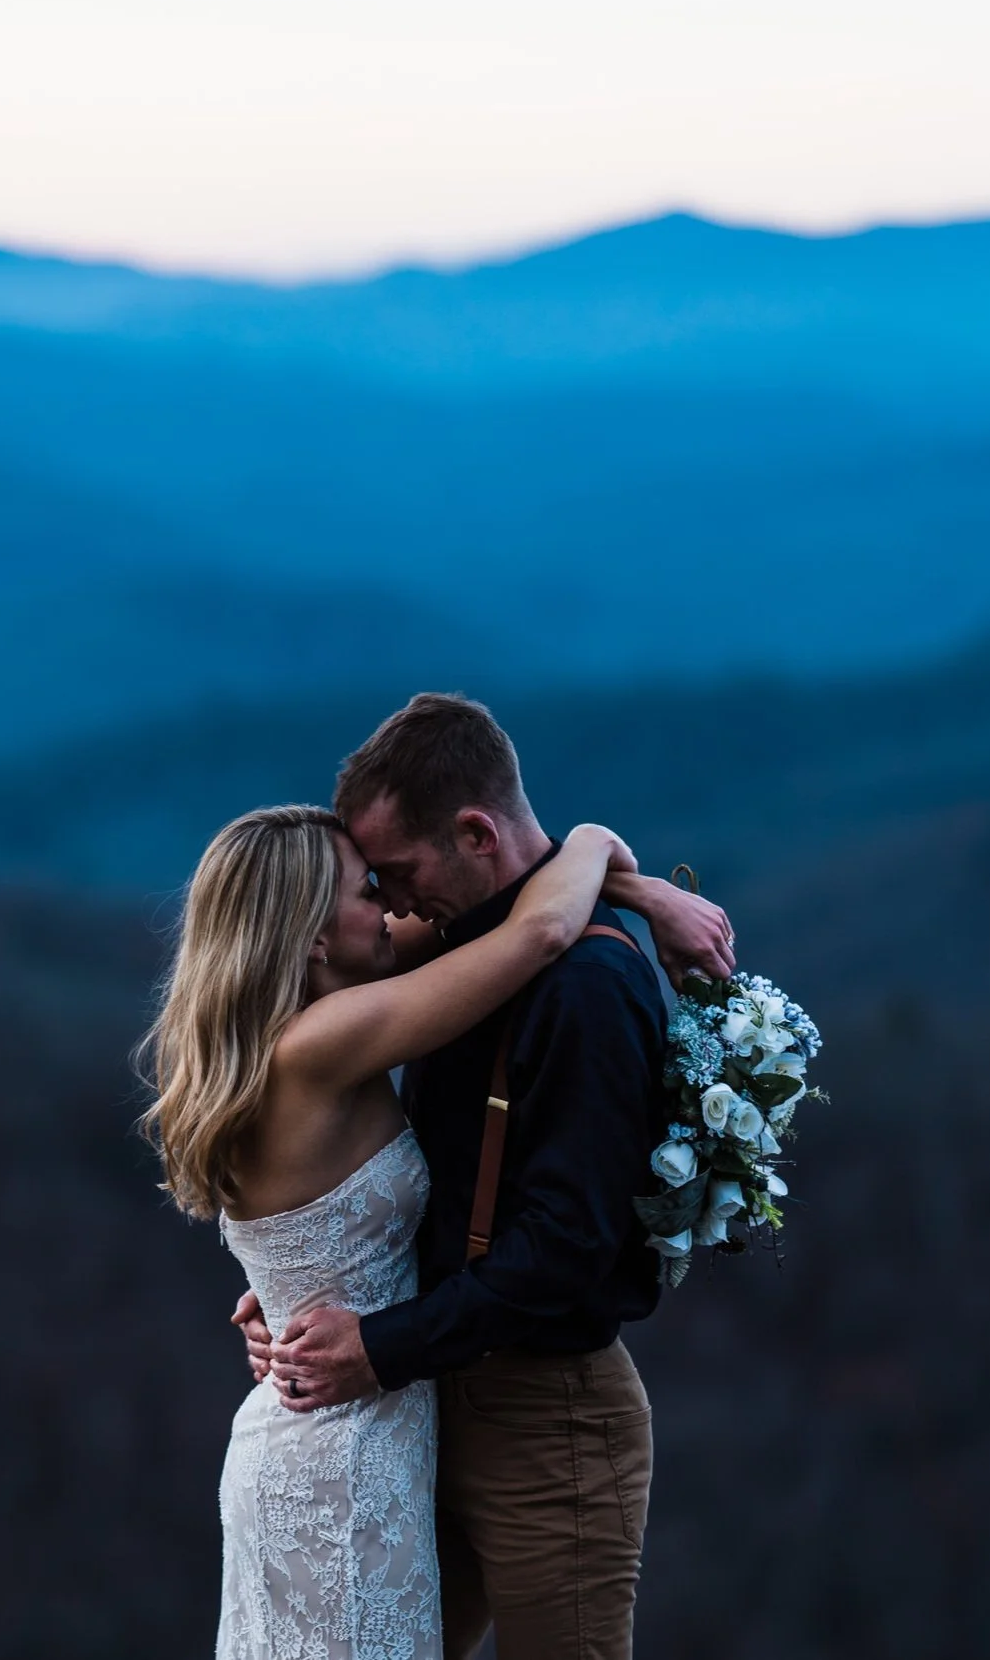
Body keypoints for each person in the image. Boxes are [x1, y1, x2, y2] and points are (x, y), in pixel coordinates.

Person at [234, 693, 735, 1660]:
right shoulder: (456, 951)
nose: (390, 903)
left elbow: (567, 1248)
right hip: (419, 1406)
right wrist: (302, 1286)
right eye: (370, 883)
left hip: (547, 1421)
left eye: (399, 873)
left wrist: (378, 1343)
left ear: (472, 832)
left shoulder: (584, 986)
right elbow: (425, 1181)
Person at [140, 805, 662, 1659]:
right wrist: (598, 842)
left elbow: (480, 916)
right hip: (342, 1460)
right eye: (363, 892)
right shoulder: (321, 1041)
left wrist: (289, 1290)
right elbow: (534, 934)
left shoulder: (274, 1033)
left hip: (342, 1436)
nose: (388, 908)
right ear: (311, 936)